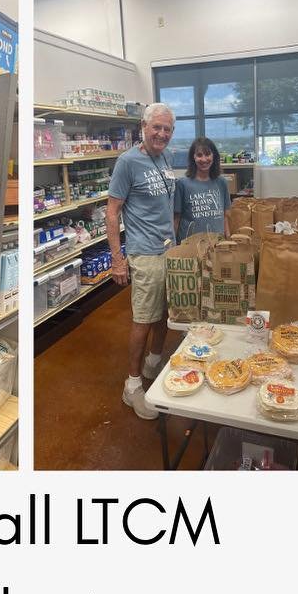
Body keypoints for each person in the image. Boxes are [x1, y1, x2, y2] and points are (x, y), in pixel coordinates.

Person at [105, 103, 177, 420]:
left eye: (167, 129)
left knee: (165, 313)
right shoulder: (127, 162)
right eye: (156, 127)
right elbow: (112, 212)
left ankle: (154, 362)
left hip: (168, 249)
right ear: (143, 128)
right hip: (144, 252)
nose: (162, 134)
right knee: (144, 317)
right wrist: (118, 260)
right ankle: (132, 384)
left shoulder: (166, 158)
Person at [174, 137, 231, 239]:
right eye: (199, 155)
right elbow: (176, 219)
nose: (204, 159)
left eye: (208, 154)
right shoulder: (182, 184)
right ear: (193, 158)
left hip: (216, 245)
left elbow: (225, 217)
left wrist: (228, 238)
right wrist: (173, 246)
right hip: (190, 247)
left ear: (214, 156)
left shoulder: (221, 182)